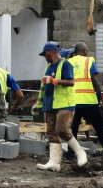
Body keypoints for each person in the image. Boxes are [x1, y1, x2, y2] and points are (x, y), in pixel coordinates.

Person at [36, 41, 88, 171]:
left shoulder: (65, 64)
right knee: (52, 132)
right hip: (50, 104)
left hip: (64, 104)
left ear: (50, 52)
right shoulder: (49, 67)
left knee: (62, 130)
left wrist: (55, 81)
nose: (45, 57)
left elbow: (71, 82)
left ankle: (80, 152)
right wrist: (39, 103)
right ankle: (54, 162)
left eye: (45, 54)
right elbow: (44, 87)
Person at [70, 43, 103, 154]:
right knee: (99, 126)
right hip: (89, 101)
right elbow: (94, 81)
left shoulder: (69, 62)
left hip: (73, 101)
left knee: (73, 128)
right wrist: (101, 98)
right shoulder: (88, 61)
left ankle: (71, 153)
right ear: (84, 51)